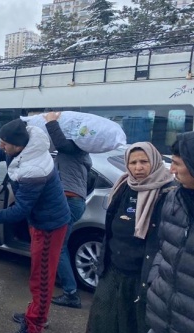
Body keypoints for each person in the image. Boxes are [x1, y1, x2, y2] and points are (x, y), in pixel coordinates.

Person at [0, 118, 70, 333]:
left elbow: (20, 210)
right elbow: (1, 151)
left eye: (5, 143)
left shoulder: (34, 170)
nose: (1, 146)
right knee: (38, 273)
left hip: (49, 224)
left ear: (19, 146)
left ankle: (34, 324)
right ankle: (36, 313)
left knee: (42, 277)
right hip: (40, 219)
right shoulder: (22, 145)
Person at [85, 142, 174, 333]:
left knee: (133, 324)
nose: (138, 167)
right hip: (113, 269)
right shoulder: (124, 185)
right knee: (103, 321)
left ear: (155, 161)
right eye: (133, 162)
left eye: (144, 161)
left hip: (141, 275)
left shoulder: (168, 192)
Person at [43, 111, 93, 308]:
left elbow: (61, 143)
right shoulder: (82, 155)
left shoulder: (74, 147)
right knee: (58, 245)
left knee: (59, 247)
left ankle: (71, 293)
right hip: (75, 201)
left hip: (68, 201)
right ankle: (64, 284)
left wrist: (51, 123)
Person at [146, 132, 194, 333]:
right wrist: (155, 280)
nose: (171, 170)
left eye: (177, 163)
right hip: (160, 313)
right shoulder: (174, 197)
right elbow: (162, 245)